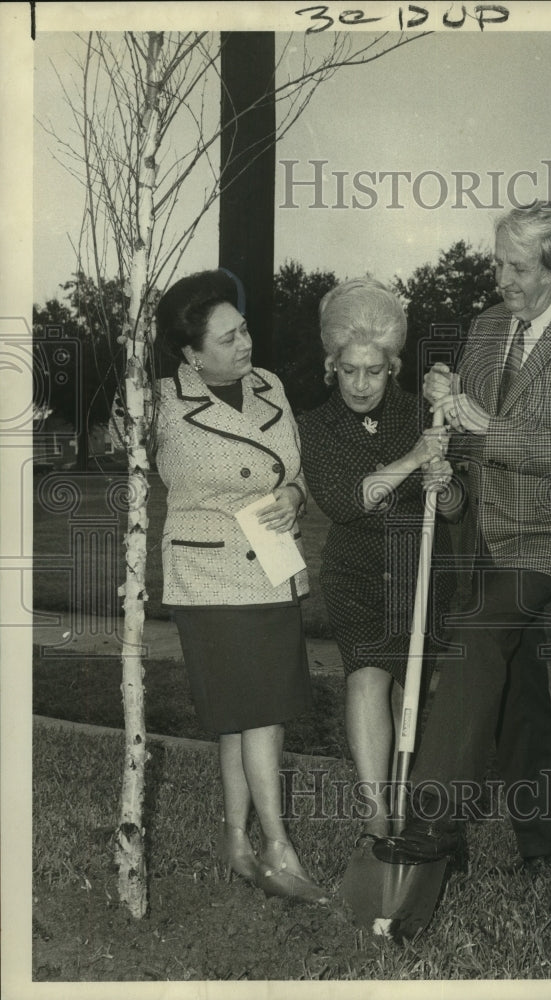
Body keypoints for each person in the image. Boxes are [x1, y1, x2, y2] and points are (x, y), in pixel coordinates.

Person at [374, 202, 551, 873]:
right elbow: (468, 433)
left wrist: (485, 425)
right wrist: (447, 400)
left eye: (516, 267)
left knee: (481, 634)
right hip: (482, 531)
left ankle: (431, 825)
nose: (500, 278)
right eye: (496, 262)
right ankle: (548, 845)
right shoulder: (487, 327)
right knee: (516, 682)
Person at [151, 269, 327, 904]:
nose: (244, 344)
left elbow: (296, 469)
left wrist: (291, 494)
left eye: (244, 328)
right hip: (210, 577)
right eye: (226, 340)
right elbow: (131, 457)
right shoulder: (159, 404)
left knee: (244, 719)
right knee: (260, 716)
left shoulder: (270, 386)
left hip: (273, 570)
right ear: (192, 354)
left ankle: (237, 842)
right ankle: (279, 848)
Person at [296, 277, 459, 844]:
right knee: (366, 679)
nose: (361, 384)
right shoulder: (315, 427)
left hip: (418, 573)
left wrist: (446, 481)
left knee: (403, 692)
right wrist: (418, 458)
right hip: (356, 574)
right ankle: (376, 818)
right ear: (330, 365)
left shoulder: (424, 414)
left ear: (392, 365)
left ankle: (401, 798)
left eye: (374, 369)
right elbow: (346, 500)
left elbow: (458, 508)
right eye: (349, 370)